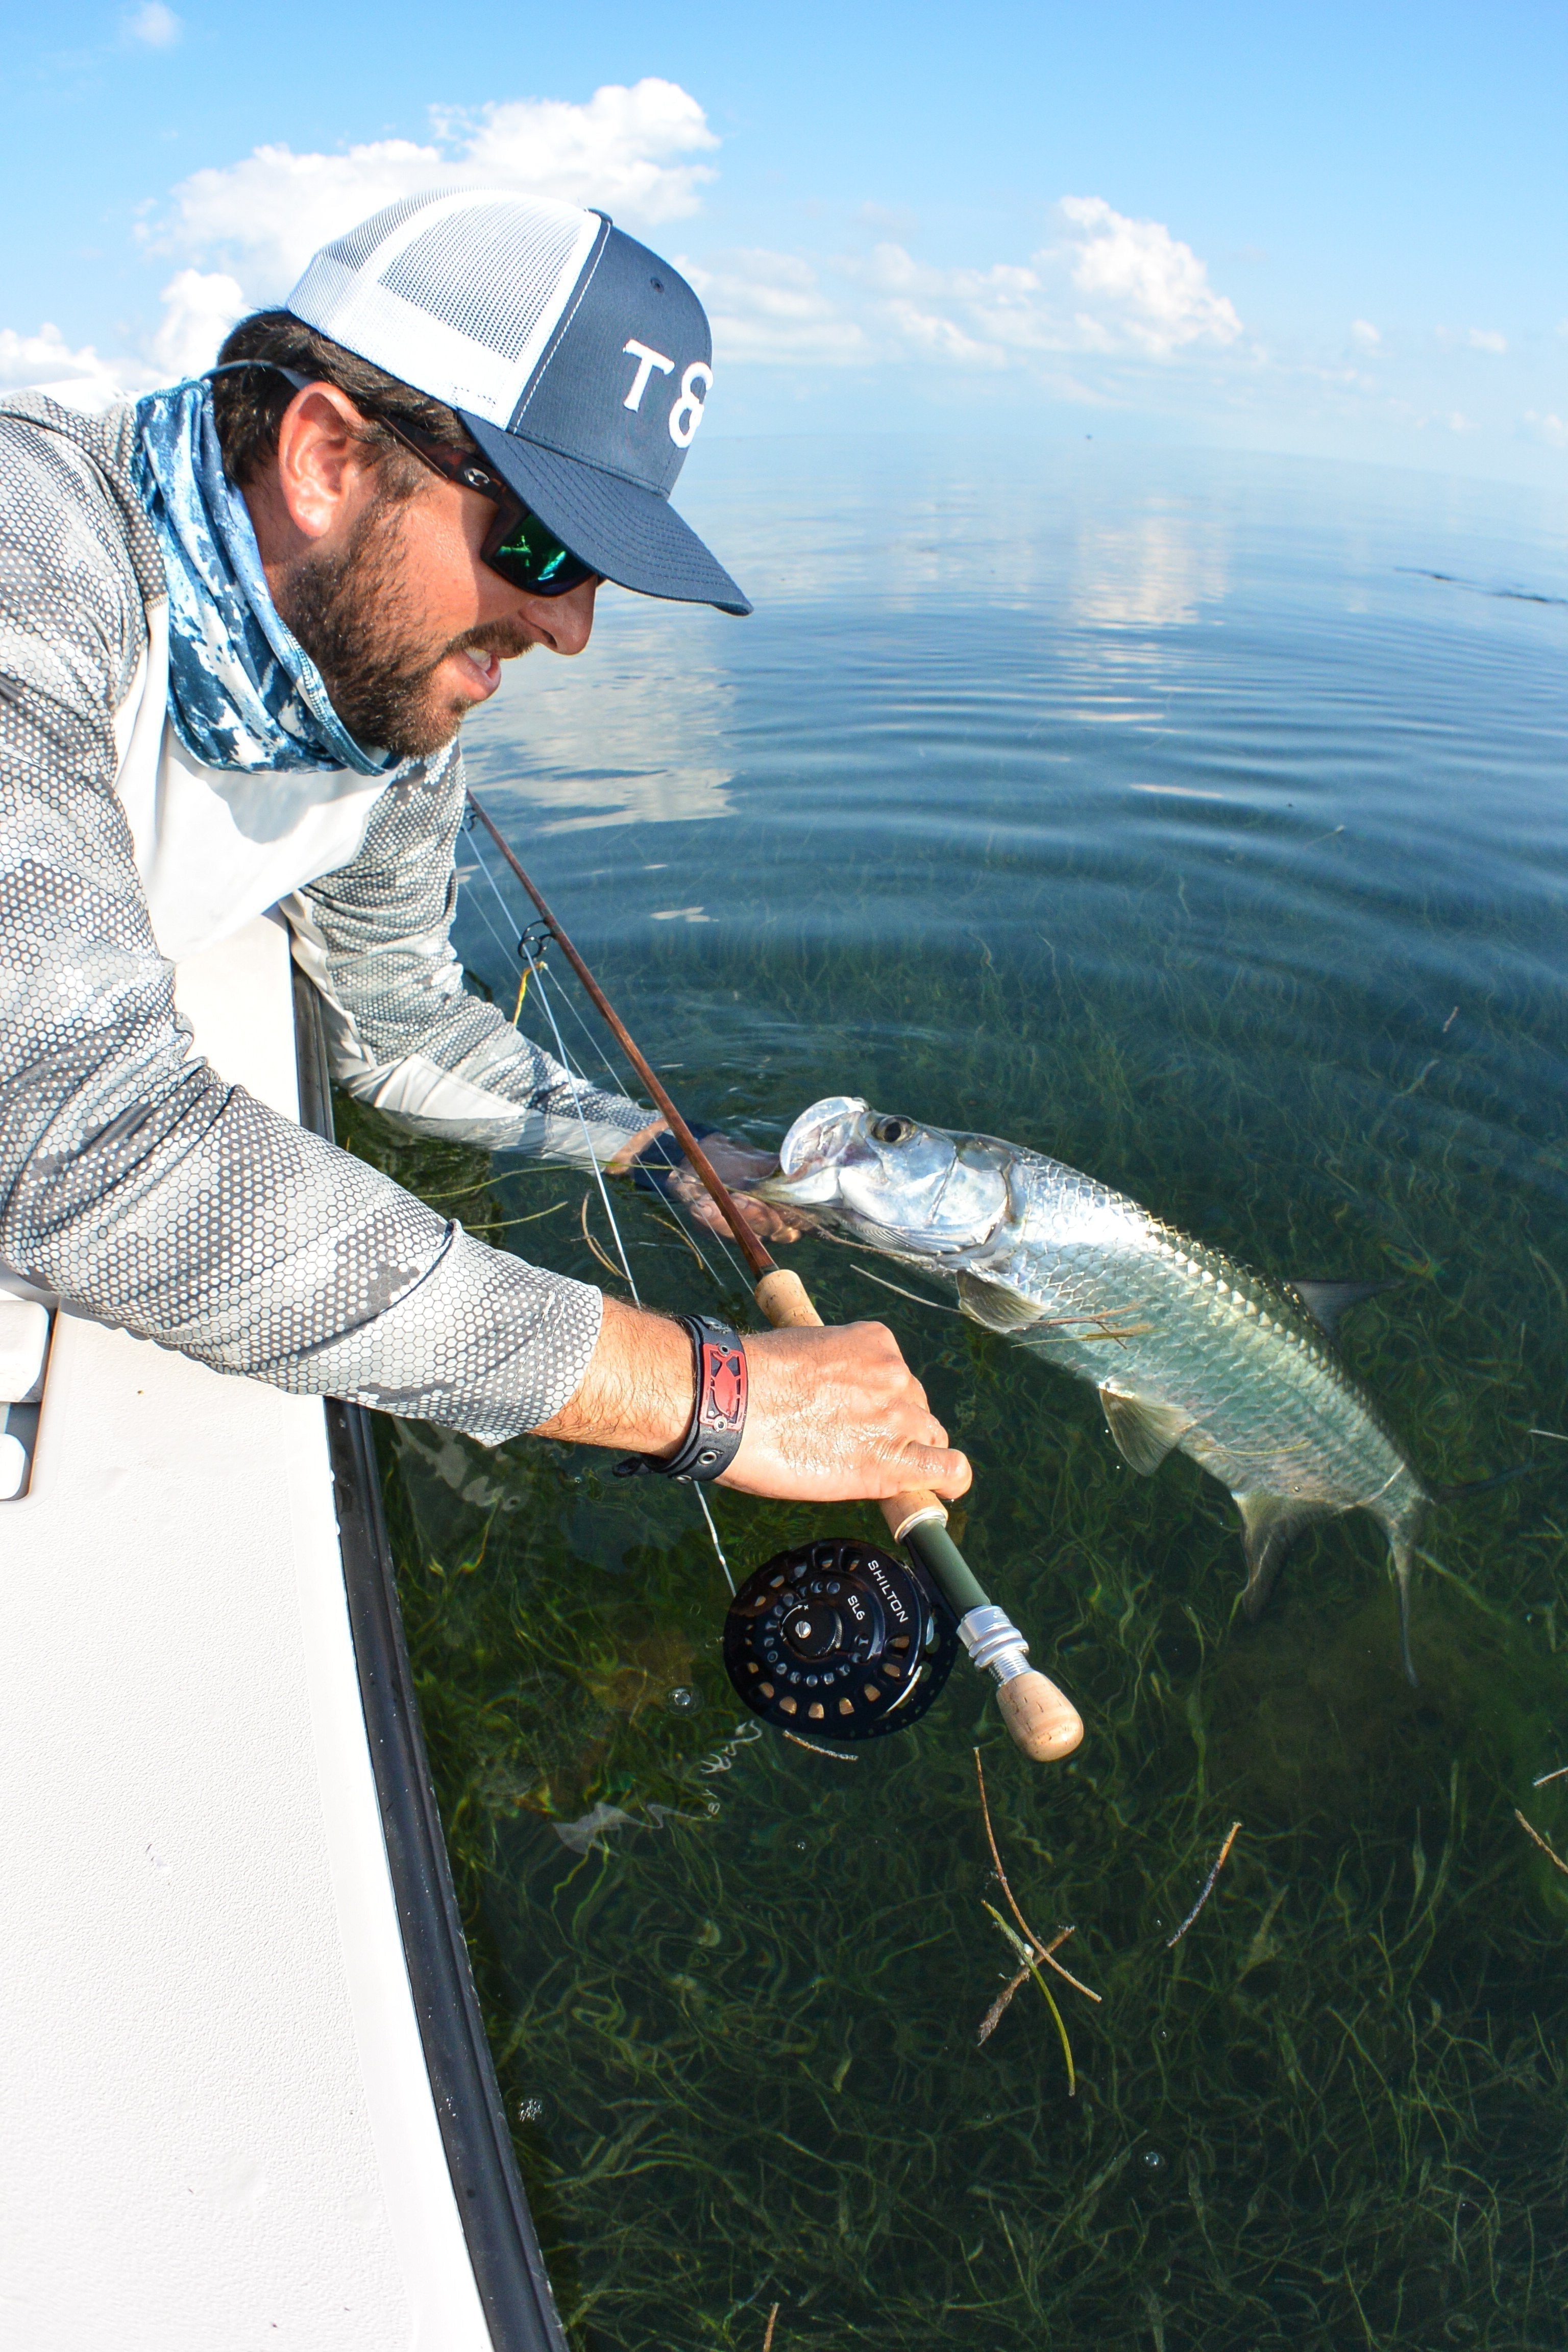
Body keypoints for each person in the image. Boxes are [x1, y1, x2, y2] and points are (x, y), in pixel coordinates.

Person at [0, 187, 969, 1507]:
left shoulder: (383, 720)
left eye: (599, 572)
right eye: (539, 543)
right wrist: (700, 1393)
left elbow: (396, 1026)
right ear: (327, 456)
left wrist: (652, 1147)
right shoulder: (29, 542)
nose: (569, 630)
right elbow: (72, 1137)